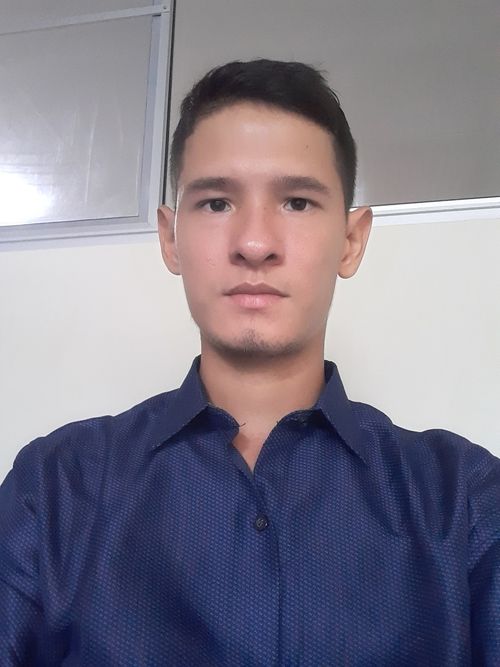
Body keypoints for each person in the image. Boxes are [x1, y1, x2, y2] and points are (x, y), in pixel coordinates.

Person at [0, 59, 498, 666]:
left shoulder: (465, 502)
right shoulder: (56, 488)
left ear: (352, 240)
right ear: (170, 237)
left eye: (296, 202)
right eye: (215, 203)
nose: (255, 243)